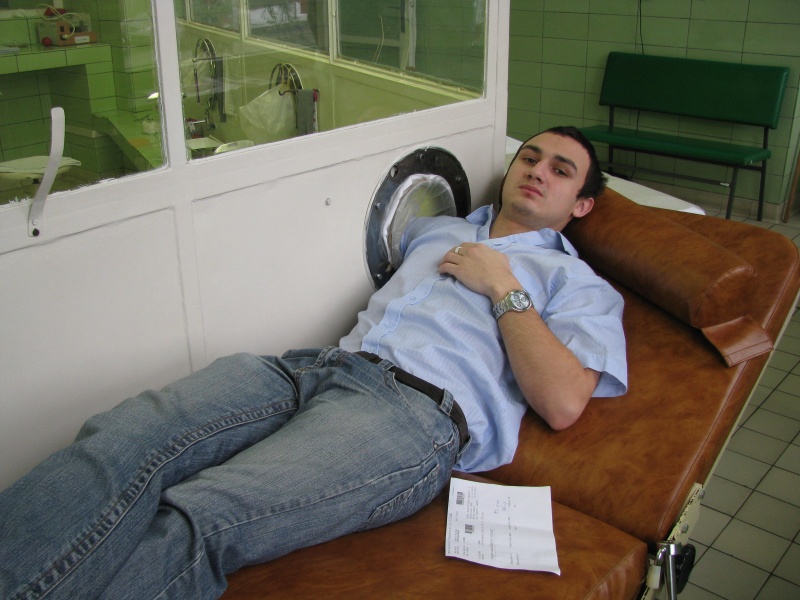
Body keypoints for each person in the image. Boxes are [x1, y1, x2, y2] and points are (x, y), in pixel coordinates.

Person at [0, 126, 627, 600]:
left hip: (410, 416)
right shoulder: (440, 229)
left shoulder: (577, 283)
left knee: (202, 516)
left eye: (561, 170)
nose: (537, 171)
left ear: (582, 205)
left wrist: (502, 285)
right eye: (529, 157)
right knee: (124, 438)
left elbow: (562, 402)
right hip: (315, 366)